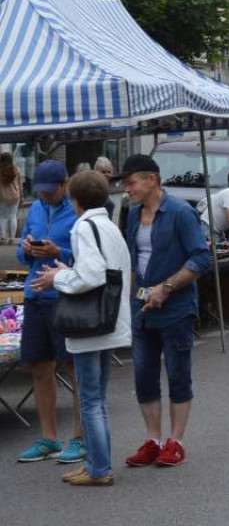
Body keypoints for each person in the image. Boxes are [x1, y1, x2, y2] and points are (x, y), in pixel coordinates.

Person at [30, 171, 131, 486]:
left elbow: (91, 275)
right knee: (96, 397)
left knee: (90, 399)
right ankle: (97, 463)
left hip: (90, 325)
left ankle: (99, 468)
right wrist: (67, 270)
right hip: (109, 320)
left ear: (74, 199)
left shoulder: (83, 227)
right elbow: (104, 270)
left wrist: (56, 278)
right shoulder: (108, 226)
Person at [120, 154, 211, 468]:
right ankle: (152, 439)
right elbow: (134, 262)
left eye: (130, 182)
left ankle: (176, 441)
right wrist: (128, 302)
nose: (127, 189)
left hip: (176, 308)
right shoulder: (132, 215)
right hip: (142, 308)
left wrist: (167, 287)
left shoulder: (181, 213)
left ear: (151, 180)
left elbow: (200, 259)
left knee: (178, 374)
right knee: (144, 376)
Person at [14, 160, 85, 464]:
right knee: (39, 367)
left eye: (50, 191)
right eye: (40, 192)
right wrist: (27, 249)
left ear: (64, 184)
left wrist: (60, 253)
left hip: (64, 296)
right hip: (35, 294)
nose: (45, 197)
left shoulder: (78, 211)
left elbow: (89, 256)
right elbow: (19, 252)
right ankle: (49, 438)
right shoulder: (36, 209)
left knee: (73, 368)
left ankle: (81, 439)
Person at [0, 151, 22, 245]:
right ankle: (12, 238)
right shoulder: (16, 169)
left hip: (3, 197)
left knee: (3, 217)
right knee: (13, 216)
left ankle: (3, 237)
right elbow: (20, 184)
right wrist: (21, 196)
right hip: (15, 196)